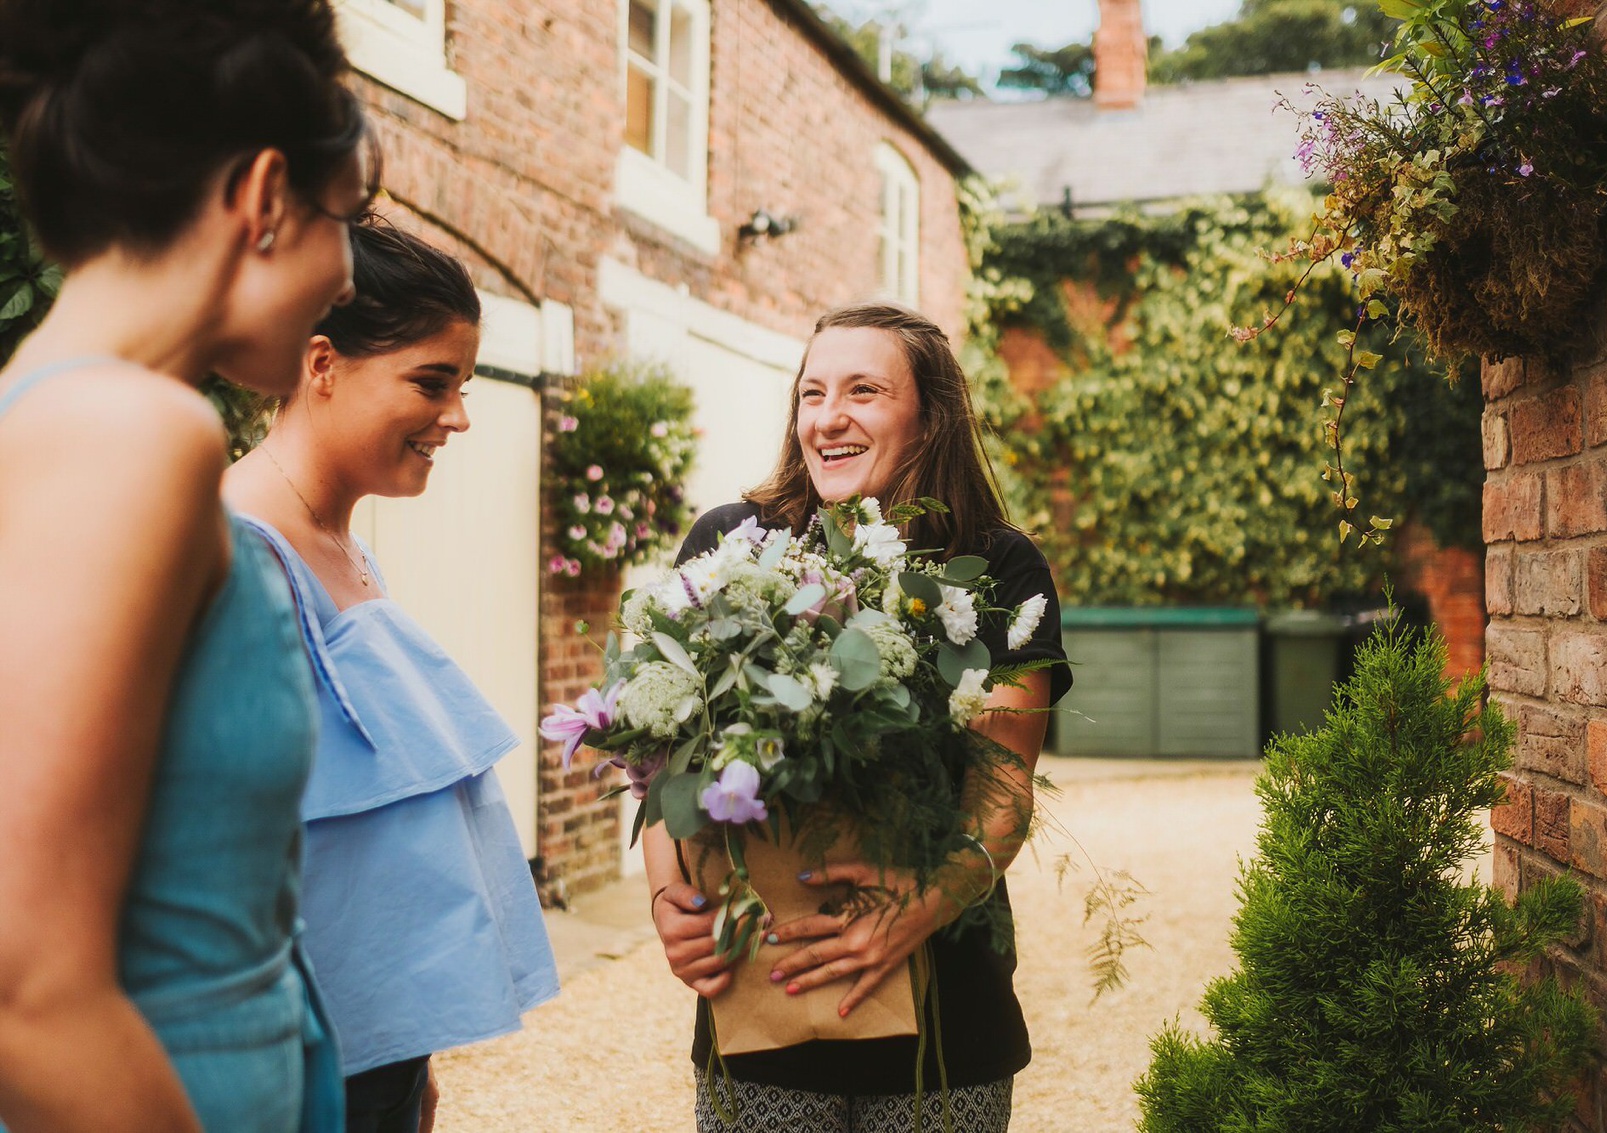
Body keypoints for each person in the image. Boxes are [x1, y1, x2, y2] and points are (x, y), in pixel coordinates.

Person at [0, 1, 373, 1130]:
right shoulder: (133, 433)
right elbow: (24, 984)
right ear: (264, 198)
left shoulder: (45, 408)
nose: (350, 273)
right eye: (347, 218)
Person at [644, 302, 1071, 1133]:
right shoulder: (729, 543)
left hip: (945, 1009)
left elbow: (1005, 789)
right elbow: (665, 767)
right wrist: (669, 899)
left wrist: (912, 910)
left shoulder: (998, 568)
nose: (828, 418)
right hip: (761, 1000)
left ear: (930, 417)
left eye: (864, 390)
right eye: (812, 393)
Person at [224, 215, 560, 1133]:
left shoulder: (343, 544)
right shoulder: (237, 555)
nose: (457, 415)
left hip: (368, 1054)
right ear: (322, 363)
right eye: (431, 381)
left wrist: (408, 1065)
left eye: (463, 383)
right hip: (285, 1070)